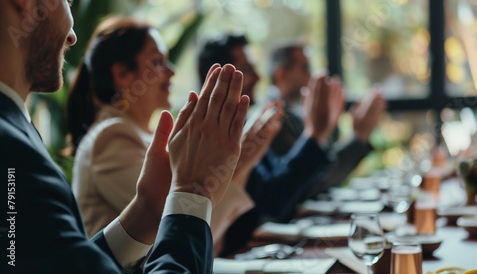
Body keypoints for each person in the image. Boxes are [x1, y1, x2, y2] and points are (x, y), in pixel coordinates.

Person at [0, 0, 248, 272]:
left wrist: (147, 212)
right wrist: (192, 193)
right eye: (67, 0)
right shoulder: (11, 148)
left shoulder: (19, 133)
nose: (72, 36)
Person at [66, 17, 258, 255]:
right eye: (158, 62)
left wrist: (238, 161)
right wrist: (237, 161)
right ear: (123, 75)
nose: (172, 71)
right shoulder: (111, 136)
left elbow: (204, 242)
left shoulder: (137, 134)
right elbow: (178, 240)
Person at [198, 34, 344, 255]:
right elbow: (274, 202)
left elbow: (280, 185)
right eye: (247, 69)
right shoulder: (210, 137)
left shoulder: (247, 124)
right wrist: (314, 135)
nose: (258, 77)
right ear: (219, 78)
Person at [268, 42, 387, 196]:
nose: (310, 76)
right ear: (282, 74)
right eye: (305, 69)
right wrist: (358, 136)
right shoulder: (273, 118)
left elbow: (322, 175)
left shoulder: (295, 114)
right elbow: (311, 184)